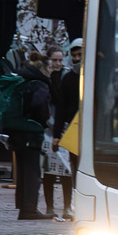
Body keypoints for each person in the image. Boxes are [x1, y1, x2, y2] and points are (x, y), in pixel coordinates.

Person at [10, 50, 52, 220]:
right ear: (44, 67)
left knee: (22, 168)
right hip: (31, 131)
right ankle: (29, 208)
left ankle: (22, 204)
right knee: (32, 170)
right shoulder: (40, 84)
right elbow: (39, 105)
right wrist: (44, 119)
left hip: (16, 129)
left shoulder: (20, 80)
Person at [46, 44, 79, 220]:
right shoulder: (50, 77)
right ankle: (54, 206)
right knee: (52, 170)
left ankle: (69, 206)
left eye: (60, 59)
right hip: (54, 127)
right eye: (54, 60)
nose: (58, 63)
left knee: (68, 170)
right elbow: (60, 106)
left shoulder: (67, 77)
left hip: (69, 126)